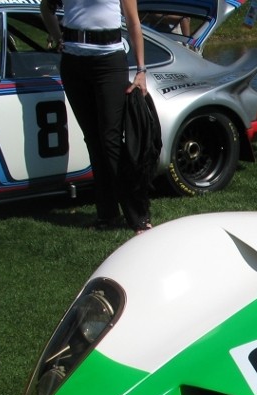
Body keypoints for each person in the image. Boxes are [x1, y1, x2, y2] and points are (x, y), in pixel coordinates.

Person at [40, 0, 152, 232]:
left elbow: (133, 22)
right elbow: (46, 7)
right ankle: (107, 215)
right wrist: (57, 36)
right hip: (73, 62)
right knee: (93, 140)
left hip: (109, 62)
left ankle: (138, 216)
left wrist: (141, 70)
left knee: (110, 140)